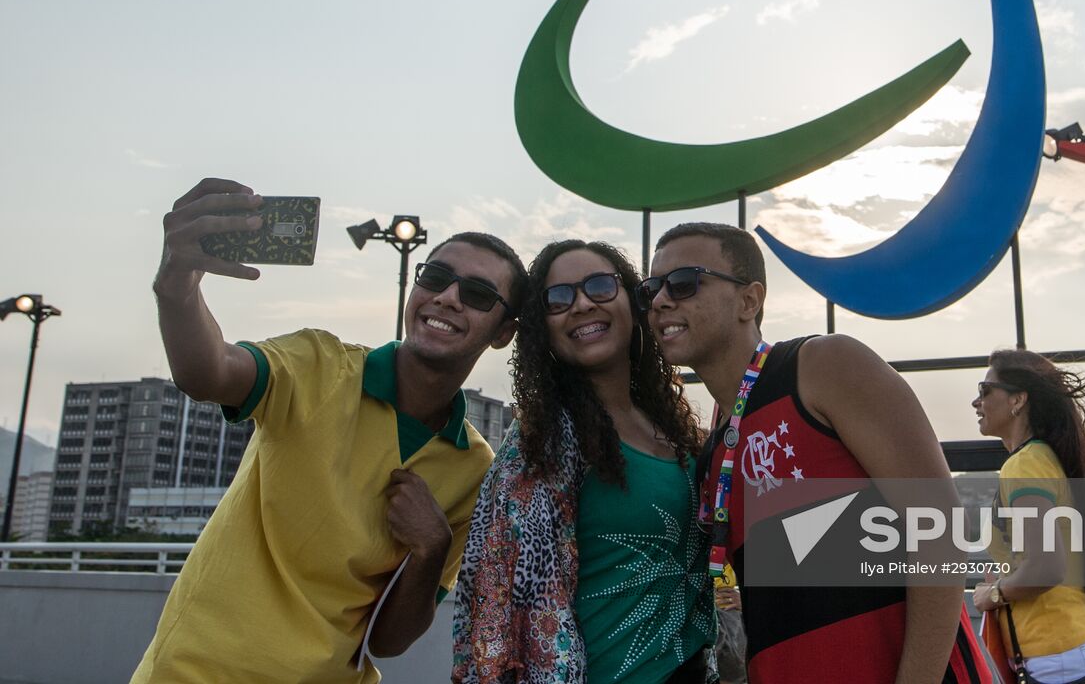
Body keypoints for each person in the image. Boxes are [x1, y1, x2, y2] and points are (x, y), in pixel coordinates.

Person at [132, 178, 526, 683]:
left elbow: (387, 640)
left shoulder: (475, 469)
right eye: (435, 276)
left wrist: (429, 550)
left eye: (476, 293)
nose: (448, 297)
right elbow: (206, 372)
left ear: (503, 333)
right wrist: (176, 285)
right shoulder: (317, 364)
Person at [644, 222, 990, 684]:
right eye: (652, 288)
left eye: (684, 282)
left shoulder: (821, 367)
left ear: (749, 300)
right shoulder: (715, 448)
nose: (662, 299)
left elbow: (938, 528)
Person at [453, 239, 715, 684]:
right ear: (543, 329)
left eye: (599, 287)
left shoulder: (673, 429)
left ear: (633, 302)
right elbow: (495, 606)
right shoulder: (542, 443)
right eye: (558, 299)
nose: (580, 305)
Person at [970, 349, 1085, 683]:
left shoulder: (1025, 464)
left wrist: (994, 593)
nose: (976, 402)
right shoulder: (1044, 458)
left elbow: (1045, 567)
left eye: (984, 390)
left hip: (1064, 664)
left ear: (1018, 400)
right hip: (1072, 657)